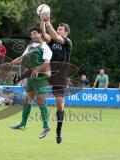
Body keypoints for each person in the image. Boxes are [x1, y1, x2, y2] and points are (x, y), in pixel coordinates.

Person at [7, 28, 52, 139]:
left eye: (35, 33)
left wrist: (37, 69)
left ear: (40, 34)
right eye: (31, 34)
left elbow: (47, 63)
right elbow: (22, 58)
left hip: (40, 78)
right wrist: (12, 62)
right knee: (27, 99)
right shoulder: (30, 46)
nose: (33, 36)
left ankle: (46, 126)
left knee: (41, 101)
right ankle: (23, 124)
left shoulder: (45, 47)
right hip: (31, 77)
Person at [40, 13, 72, 143]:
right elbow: (44, 34)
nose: (58, 31)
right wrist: (42, 21)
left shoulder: (67, 42)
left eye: (60, 30)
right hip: (50, 70)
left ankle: (58, 131)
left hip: (60, 74)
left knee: (59, 102)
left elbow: (53, 35)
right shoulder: (53, 40)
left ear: (66, 33)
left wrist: (48, 22)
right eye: (58, 29)